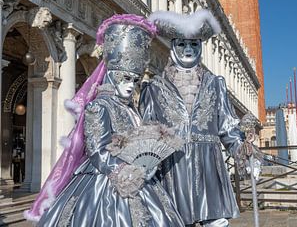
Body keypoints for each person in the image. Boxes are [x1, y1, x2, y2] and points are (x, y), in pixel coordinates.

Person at [26, 14, 184, 227]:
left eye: (135, 80)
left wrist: (146, 167)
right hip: (105, 182)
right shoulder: (98, 106)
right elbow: (98, 151)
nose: (130, 85)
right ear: (111, 74)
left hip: (140, 181)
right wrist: (125, 171)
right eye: (125, 78)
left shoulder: (131, 109)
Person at [139, 10, 251, 227]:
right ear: (173, 48)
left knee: (216, 222)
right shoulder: (154, 88)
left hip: (209, 165)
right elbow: (147, 129)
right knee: (177, 221)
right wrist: (146, 160)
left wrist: (242, 152)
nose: (188, 49)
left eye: (194, 44)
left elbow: (228, 127)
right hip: (172, 167)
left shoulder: (215, 84)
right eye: (182, 44)